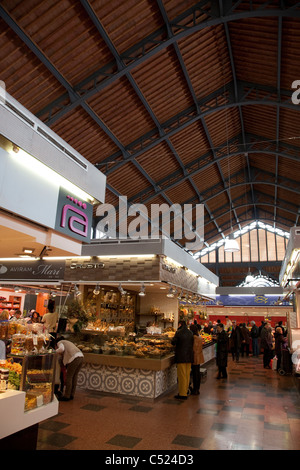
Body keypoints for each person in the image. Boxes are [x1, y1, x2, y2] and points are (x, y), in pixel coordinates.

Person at [55, 337, 84, 401]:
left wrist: (54, 352)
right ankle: (72, 394)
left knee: (69, 377)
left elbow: (61, 349)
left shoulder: (60, 342)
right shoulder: (68, 342)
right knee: (74, 376)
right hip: (81, 357)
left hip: (74, 358)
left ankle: (67, 396)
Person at [171, 320, 194, 400]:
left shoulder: (179, 332)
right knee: (187, 375)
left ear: (180, 324)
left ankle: (182, 394)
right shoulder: (191, 333)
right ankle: (186, 390)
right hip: (189, 356)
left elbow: (173, 342)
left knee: (181, 376)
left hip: (181, 356)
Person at [189, 324, 204, 395]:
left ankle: (195, 389)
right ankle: (197, 388)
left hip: (194, 357)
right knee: (197, 373)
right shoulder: (199, 337)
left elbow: (193, 349)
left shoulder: (193, 338)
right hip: (199, 356)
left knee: (195, 374)